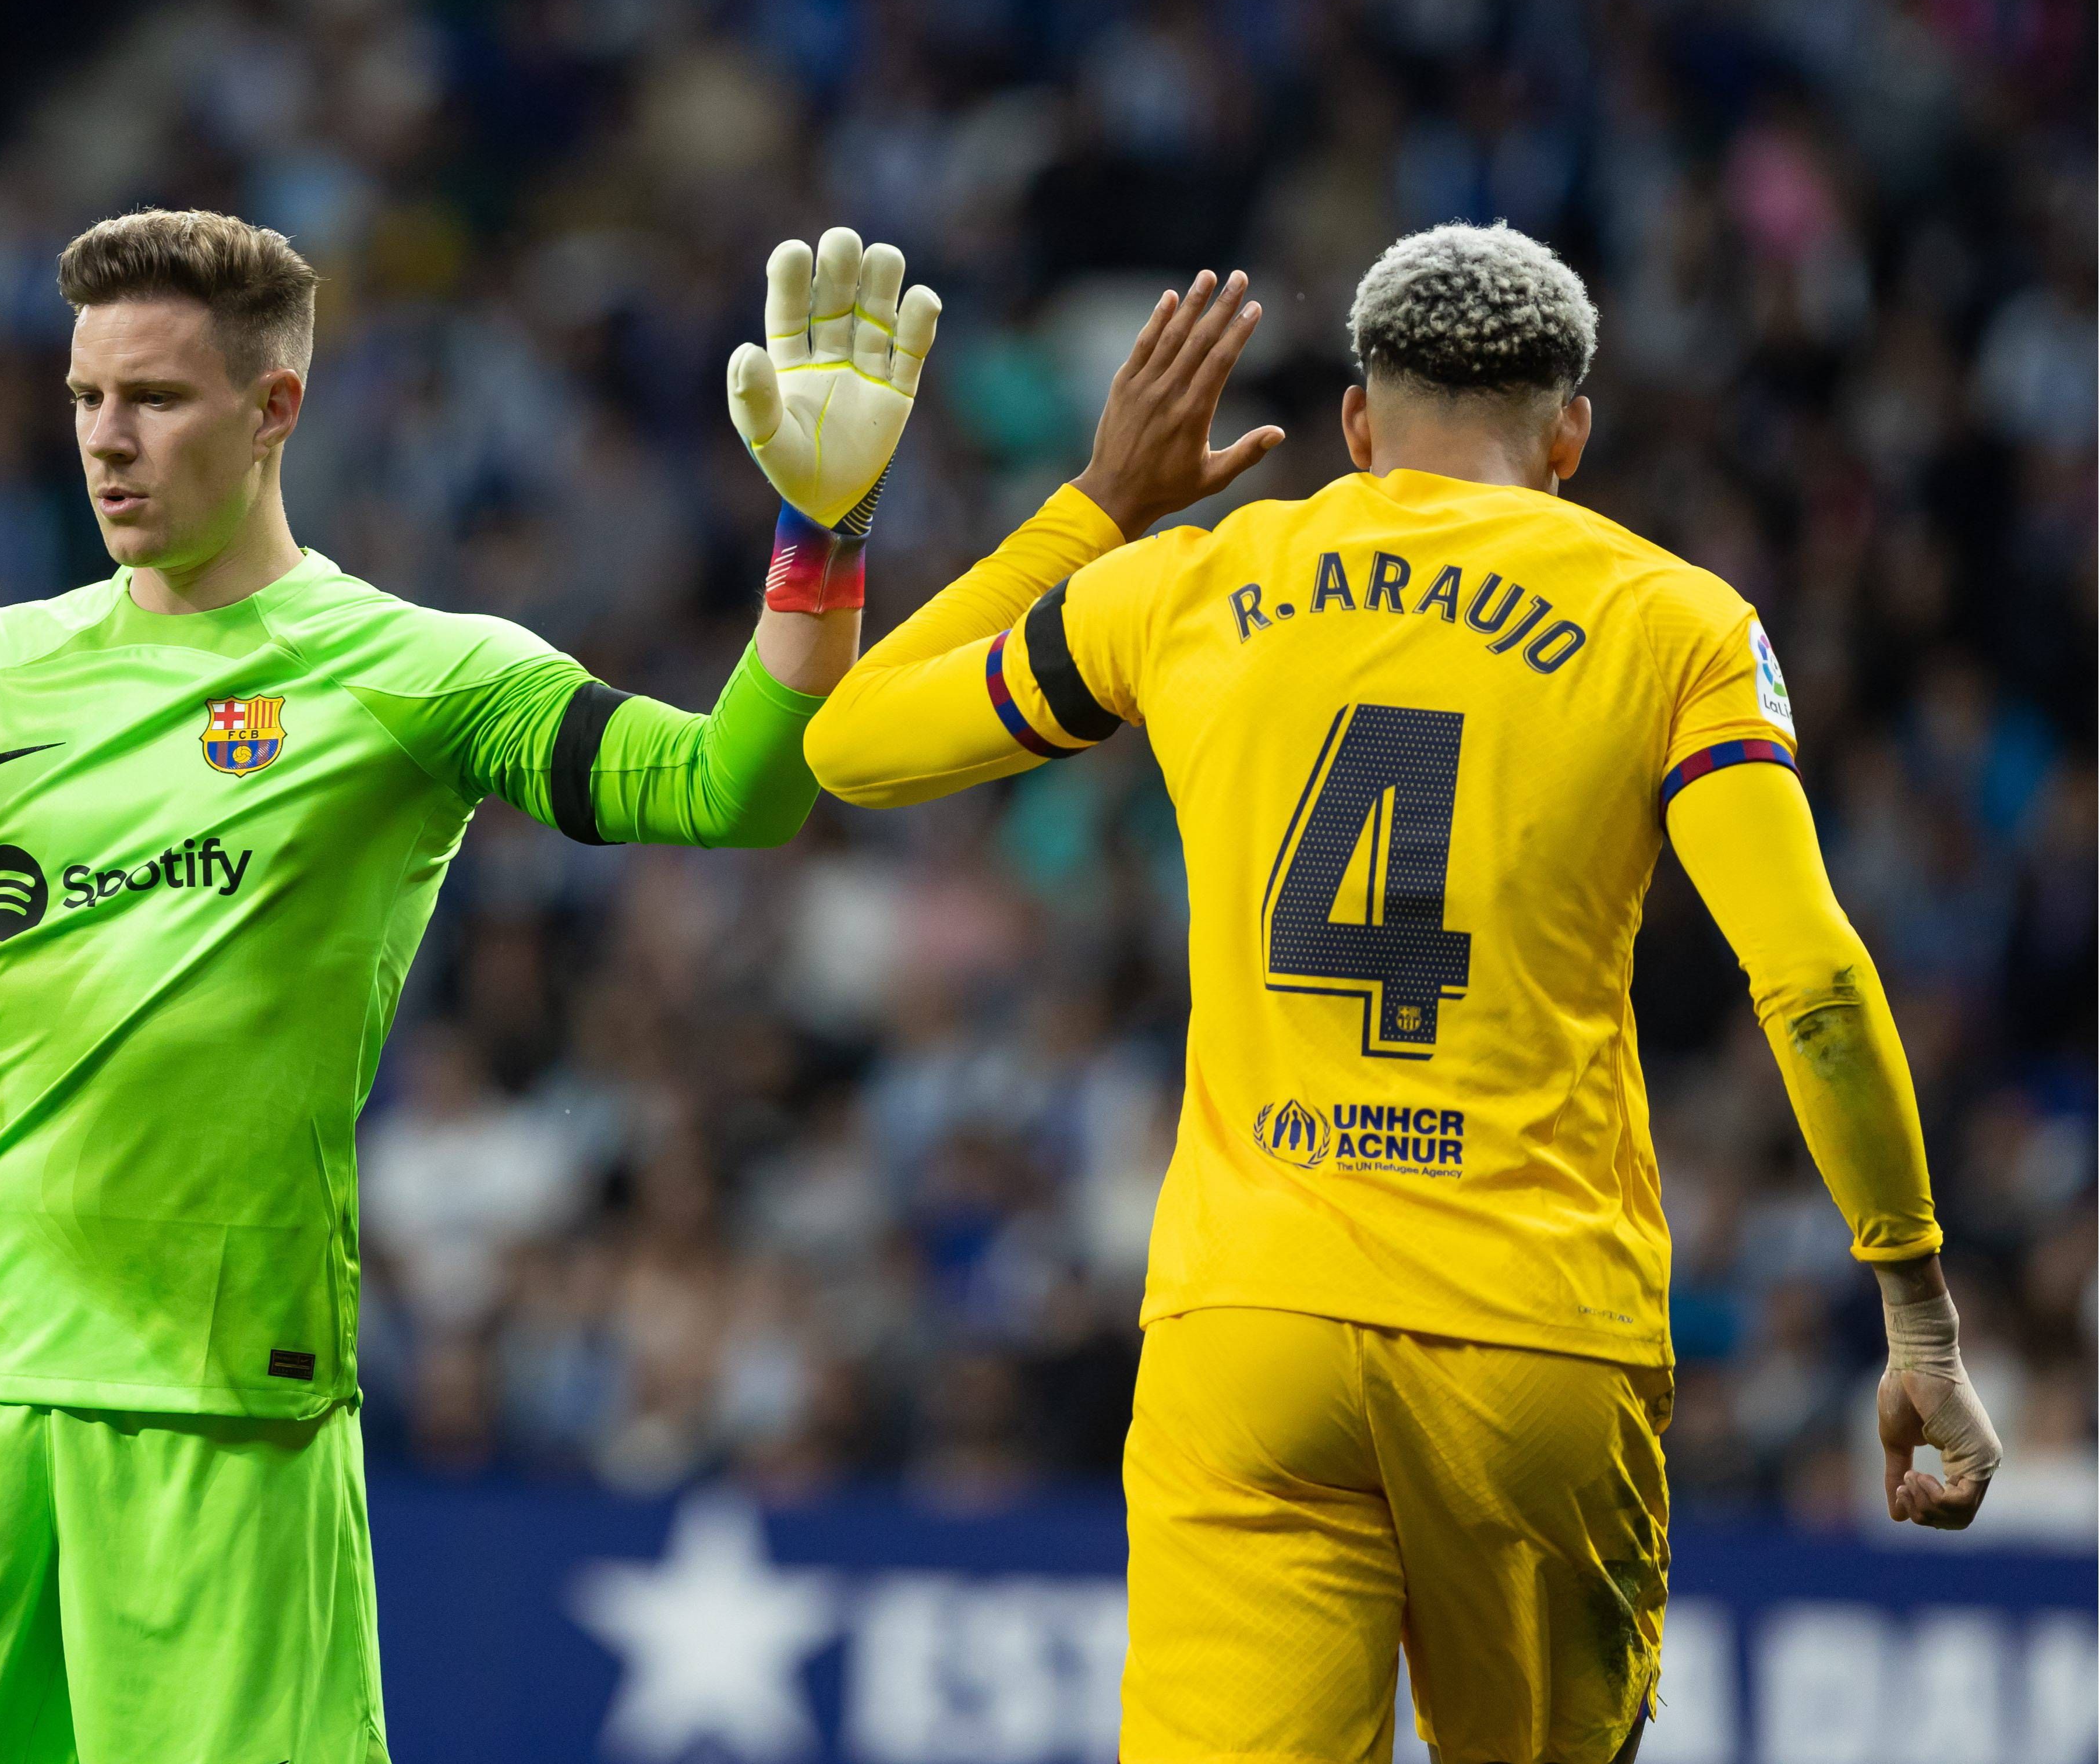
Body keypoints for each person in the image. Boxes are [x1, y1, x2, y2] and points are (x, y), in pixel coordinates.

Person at [0, 208, 936, 1762]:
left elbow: (734, 789)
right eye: (86, 397)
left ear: (275, 409)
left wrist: (821, 538)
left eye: (155, 398)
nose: (105, 440)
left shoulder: (415, 674)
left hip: (221, 1418)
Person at [805, 227, 2003, 1764]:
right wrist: (1917, 1310)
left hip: (1254, 1324)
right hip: (1535, 1334)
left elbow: (853, 742)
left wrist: (1098, 505)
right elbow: (1813, 979)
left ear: (1358, 424)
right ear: (1569, 433)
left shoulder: (1186, 583)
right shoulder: (1676, 622)